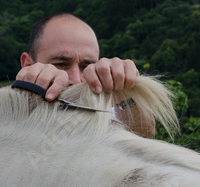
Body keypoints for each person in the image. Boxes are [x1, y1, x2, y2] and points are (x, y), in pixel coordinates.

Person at [15, 13, 155, 138]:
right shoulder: (5, 119)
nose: (76, 79)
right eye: (61, 64)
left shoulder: (102, 108)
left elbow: (145, 132)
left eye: (86, 67)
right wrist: (19, 91)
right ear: (27, 64)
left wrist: (126, 91)